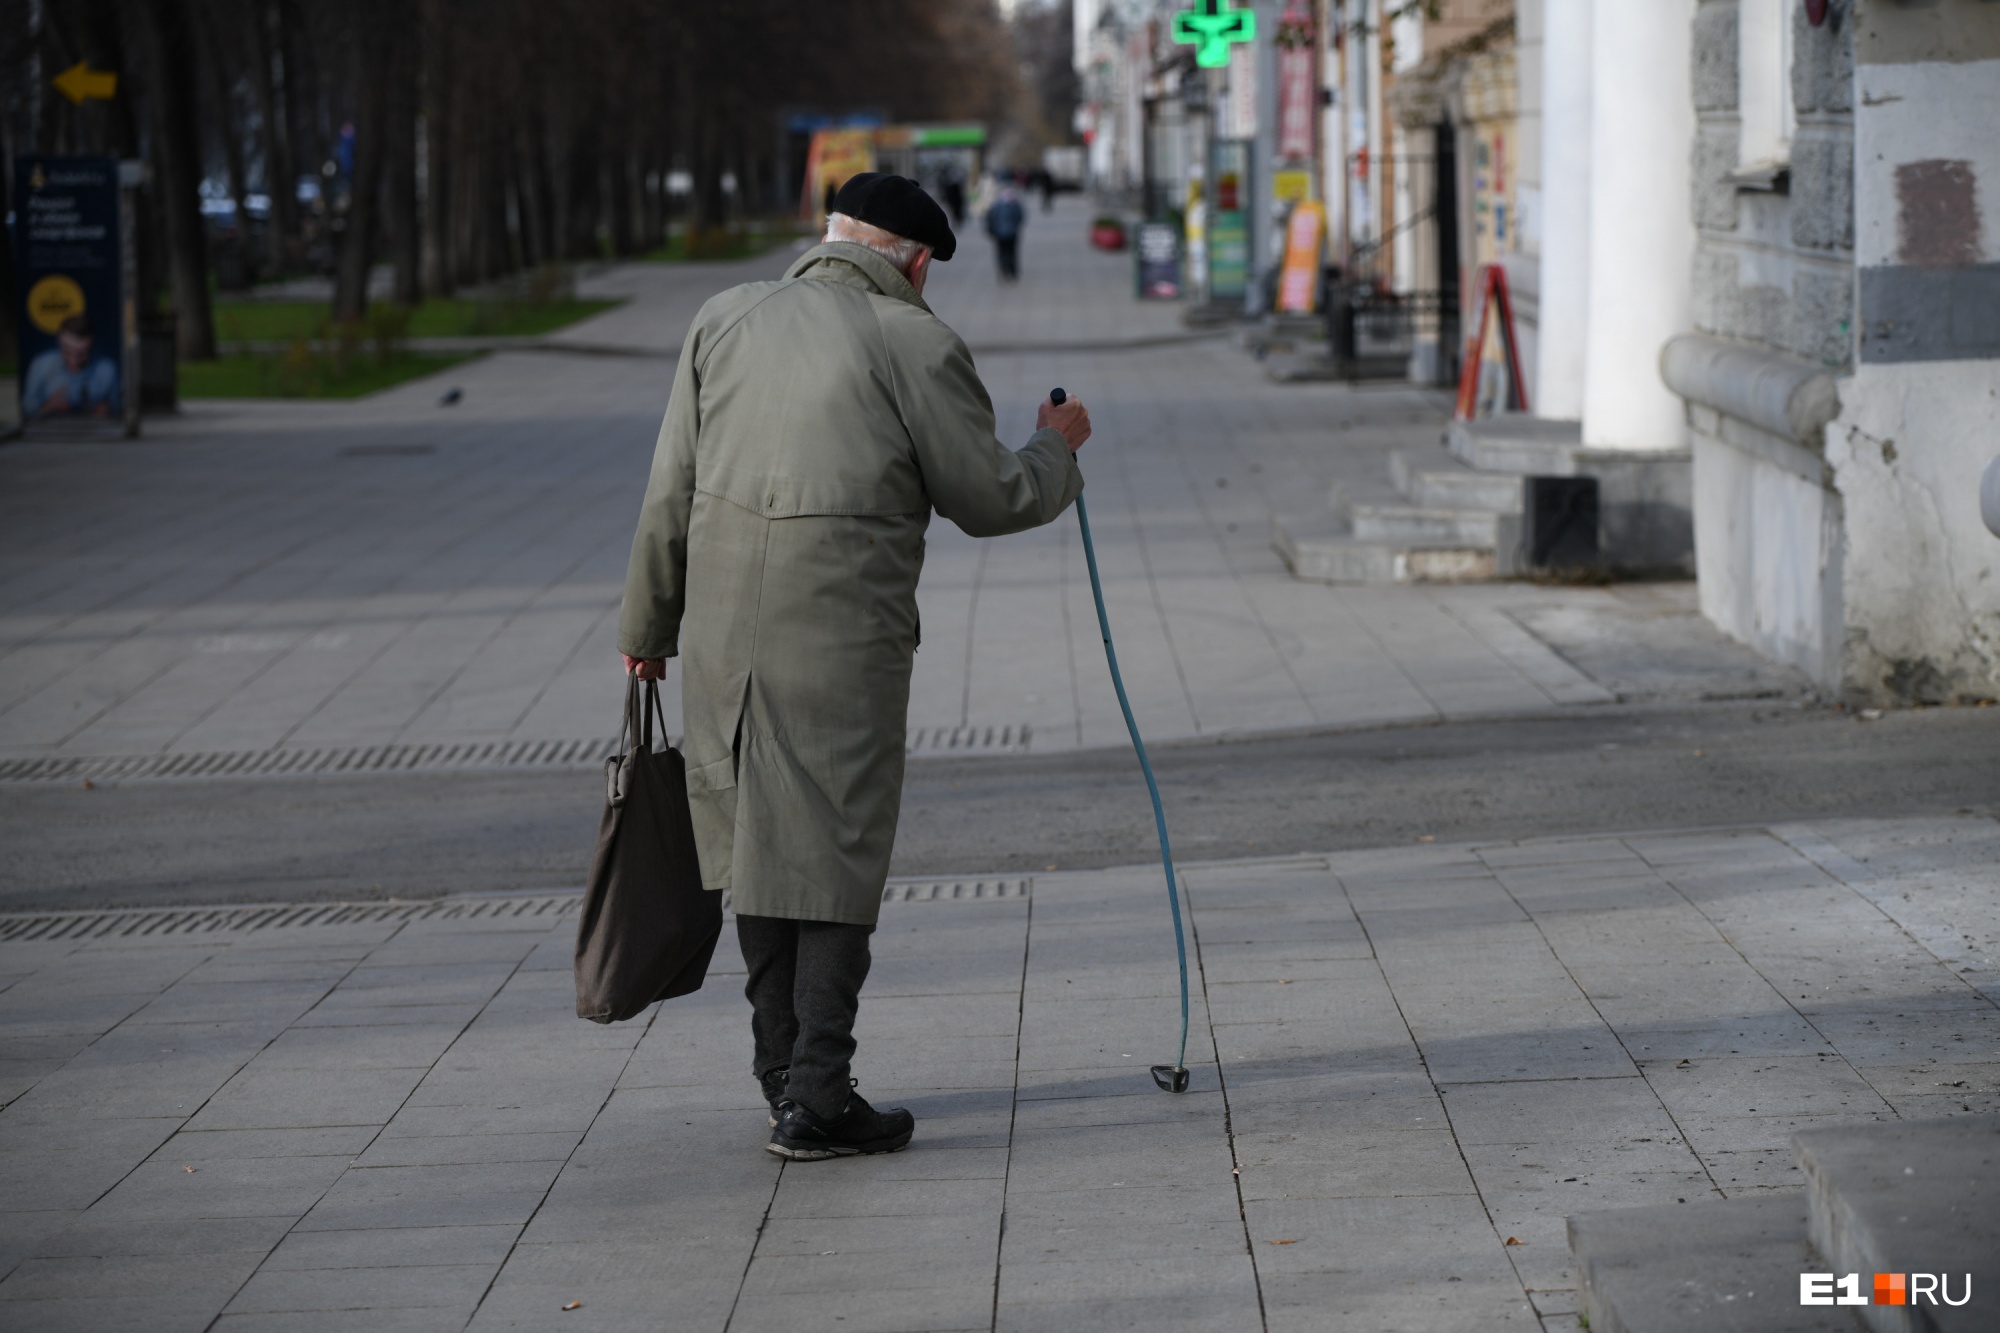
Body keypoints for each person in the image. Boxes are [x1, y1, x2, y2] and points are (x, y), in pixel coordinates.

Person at [617, 172, 1091, 1161]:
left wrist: (646, 628)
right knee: (833, 854)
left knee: (754, 845)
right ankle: (819, 1092)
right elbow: (990, 495)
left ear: (831, 238)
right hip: (839, 645)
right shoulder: (914, 340)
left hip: (716, 641)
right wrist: (1054, 450)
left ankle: (780, 1072)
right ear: (913, 263)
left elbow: (671, 486)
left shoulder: (723, 317)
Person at [23, 313, 120, 419]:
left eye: (81, 354)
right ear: (59, 342)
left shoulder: (107, 369)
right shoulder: (42, 365)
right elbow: (27, 409)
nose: (73, 361)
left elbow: (122, 408)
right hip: (50, 431)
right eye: (67, 351)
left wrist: (108, 409)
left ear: (92, 346)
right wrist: (47, 407)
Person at [985, 186, 1026, 282]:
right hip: (1012, 233)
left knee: (1001, 252)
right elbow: (1020, 217)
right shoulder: (1015, 204)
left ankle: (1003, 269)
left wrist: (991, 230)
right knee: (1012, 252)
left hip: (1000, 234)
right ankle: (1012, 271)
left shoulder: (997, 205)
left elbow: (991, 218)